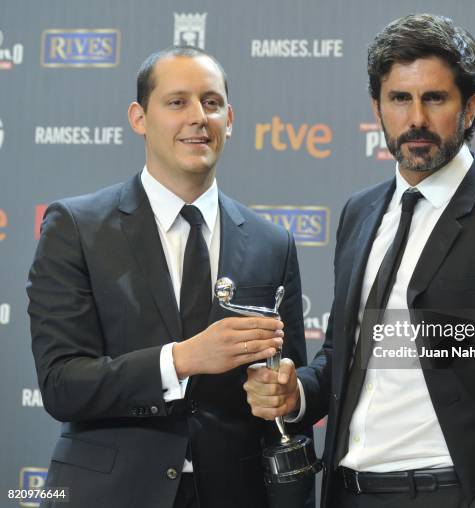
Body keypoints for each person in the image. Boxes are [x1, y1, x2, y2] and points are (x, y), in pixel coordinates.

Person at [244, 14, 475, 508]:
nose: (416, 119)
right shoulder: (360, 212)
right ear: (377, 108)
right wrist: (298, 394)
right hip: (347, 491)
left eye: (435, 98)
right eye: (400, 99)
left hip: (451, 493)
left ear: (470, 107)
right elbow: (346, 355)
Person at [27, 46, 310, 508]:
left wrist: (281, 392)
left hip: (237, 494)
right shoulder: (76, 227)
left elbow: (289, 379)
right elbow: (61, 384)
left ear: (230, 119)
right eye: (177, 102)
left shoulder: (271, 242)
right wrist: (181, 359)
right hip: (109, 493)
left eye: (211, 103)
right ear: (139, 118)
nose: (198, 117)